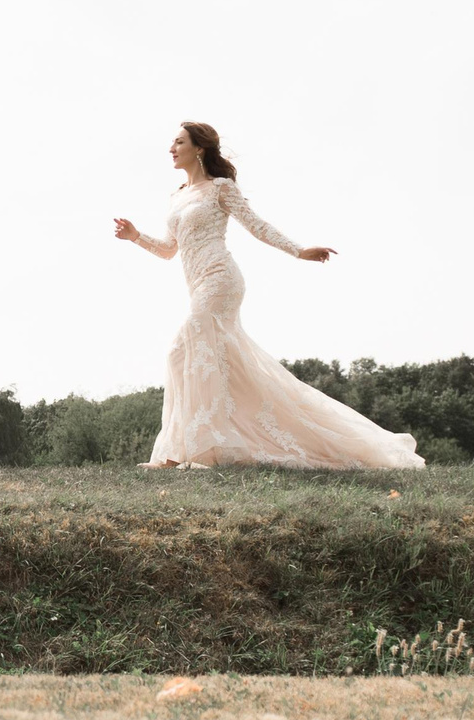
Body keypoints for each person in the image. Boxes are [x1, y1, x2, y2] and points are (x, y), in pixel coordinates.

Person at [113, 123, 420, 470]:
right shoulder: (177, 196)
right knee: (187, 357)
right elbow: (170, 250)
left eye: (178, 142)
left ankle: (201, 454)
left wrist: (299, 250)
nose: (171, 147)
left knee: (184, 349)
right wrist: (136, 236)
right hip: (197, 284)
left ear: (199, 148)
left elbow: (257, 226)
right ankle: (179, 452)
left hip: (220, 279)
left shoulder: (220, 189)